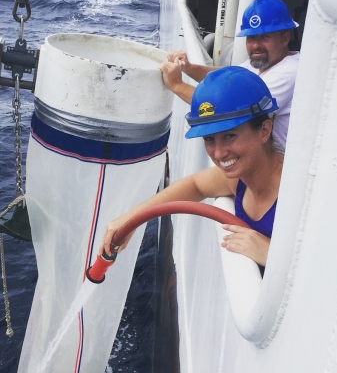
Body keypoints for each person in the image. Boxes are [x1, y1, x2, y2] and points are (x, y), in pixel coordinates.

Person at [101, 67, 283, 268]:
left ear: (264, 131)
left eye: (230, 136)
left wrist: (271, 253)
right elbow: (196, 185)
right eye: (209, 139)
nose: (219, 153)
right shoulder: (240, 180)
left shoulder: (296, 194)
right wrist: (130, 220)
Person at [160, 0, 299, 153]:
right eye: (251, 38)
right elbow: (226, 78)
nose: (255, 45)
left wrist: (176, 85)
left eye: (264, 37)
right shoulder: (263, 63)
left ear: (285, 39)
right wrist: (189, 67)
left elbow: (226, 110)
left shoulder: (288, 72)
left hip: (280, 170)